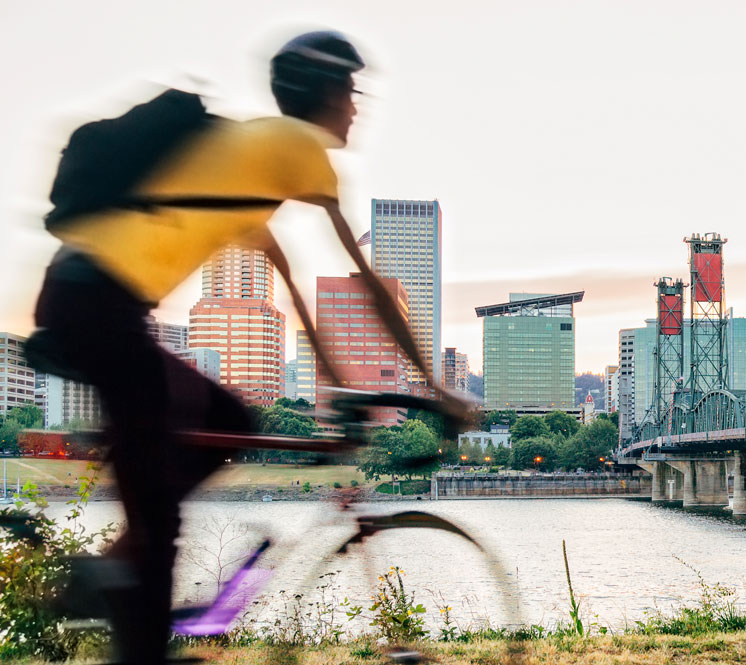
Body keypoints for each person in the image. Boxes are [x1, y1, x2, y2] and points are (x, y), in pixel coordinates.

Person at [29, 31, 455, 664]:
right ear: (322, 93)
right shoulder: (294, 145)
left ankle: (120, 571)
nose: (357, 107)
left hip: (91, 302)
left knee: (230, 420)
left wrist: (335, 391)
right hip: (98, 305)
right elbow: (365, 280)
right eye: (350, 91)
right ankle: (125, 593)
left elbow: (294, 295)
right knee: (157, 532)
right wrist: (436, 387)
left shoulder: (251, 165)